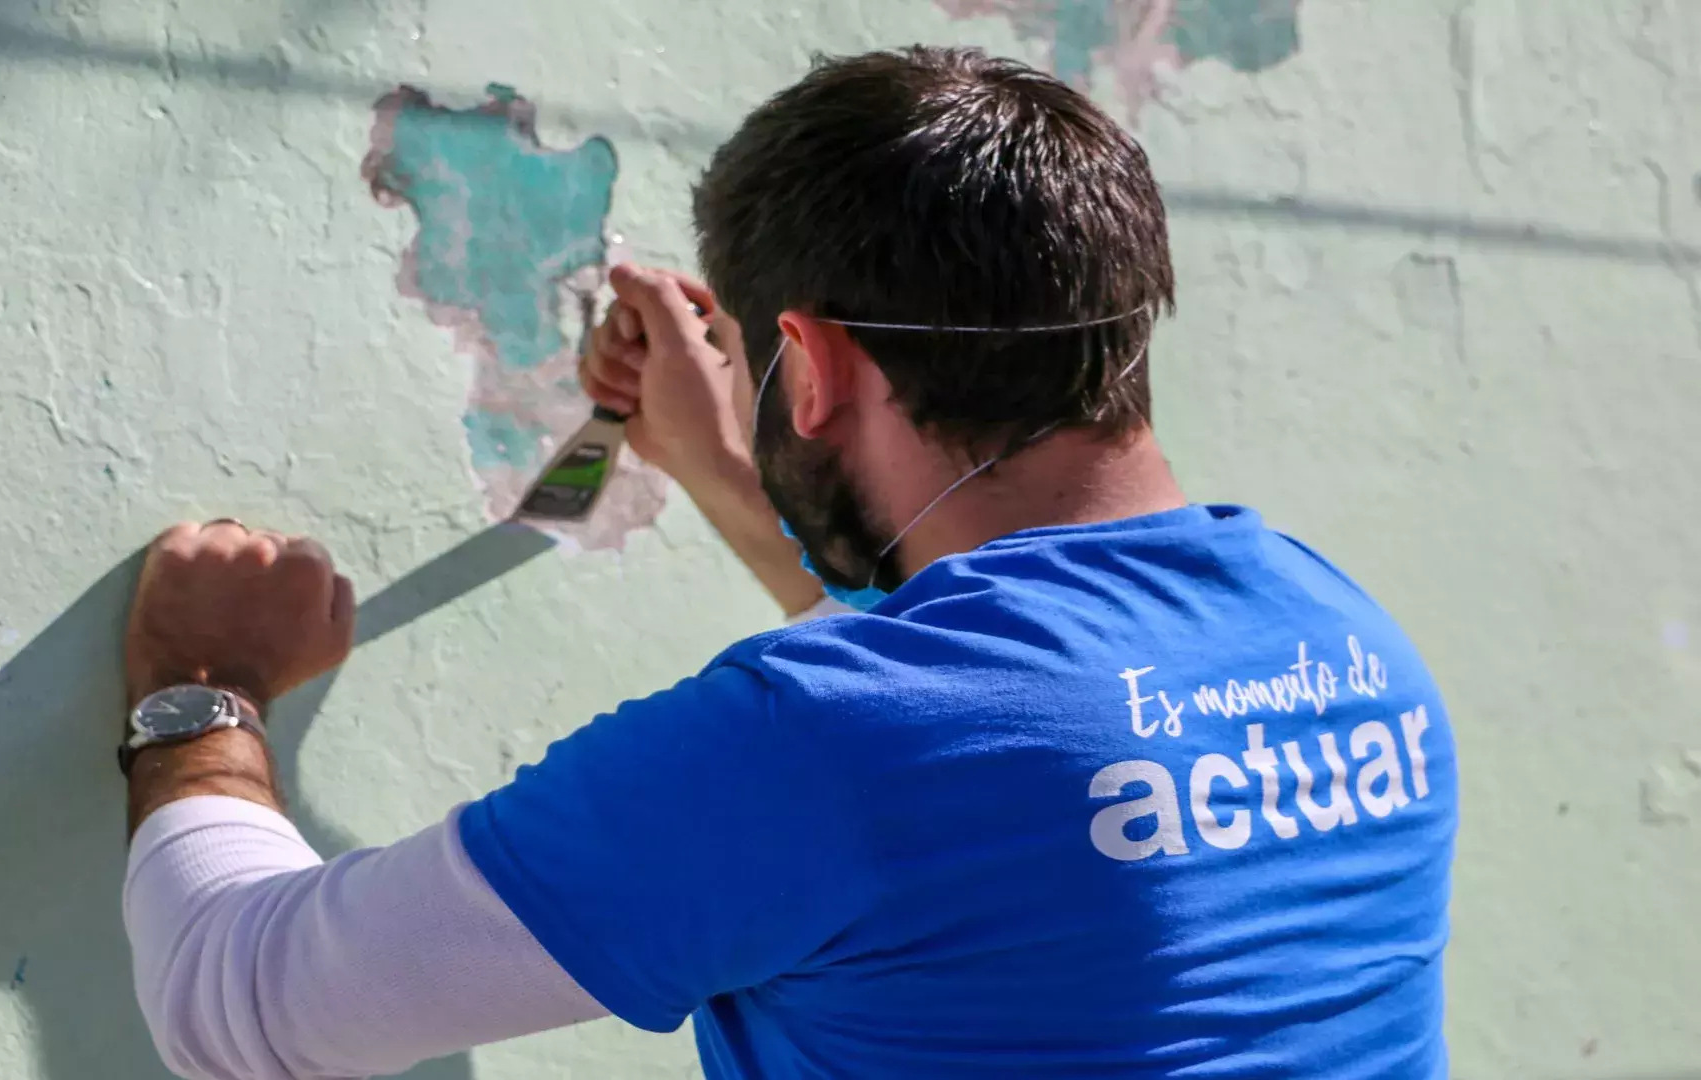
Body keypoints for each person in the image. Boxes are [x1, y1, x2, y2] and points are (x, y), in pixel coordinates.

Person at [119, 47, 1457, 1080]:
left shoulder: (824, 743)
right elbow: (979, 741)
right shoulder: (1341, 639)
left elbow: (240, 1007)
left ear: (808, 368)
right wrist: (719, 470)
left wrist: (201, 692)